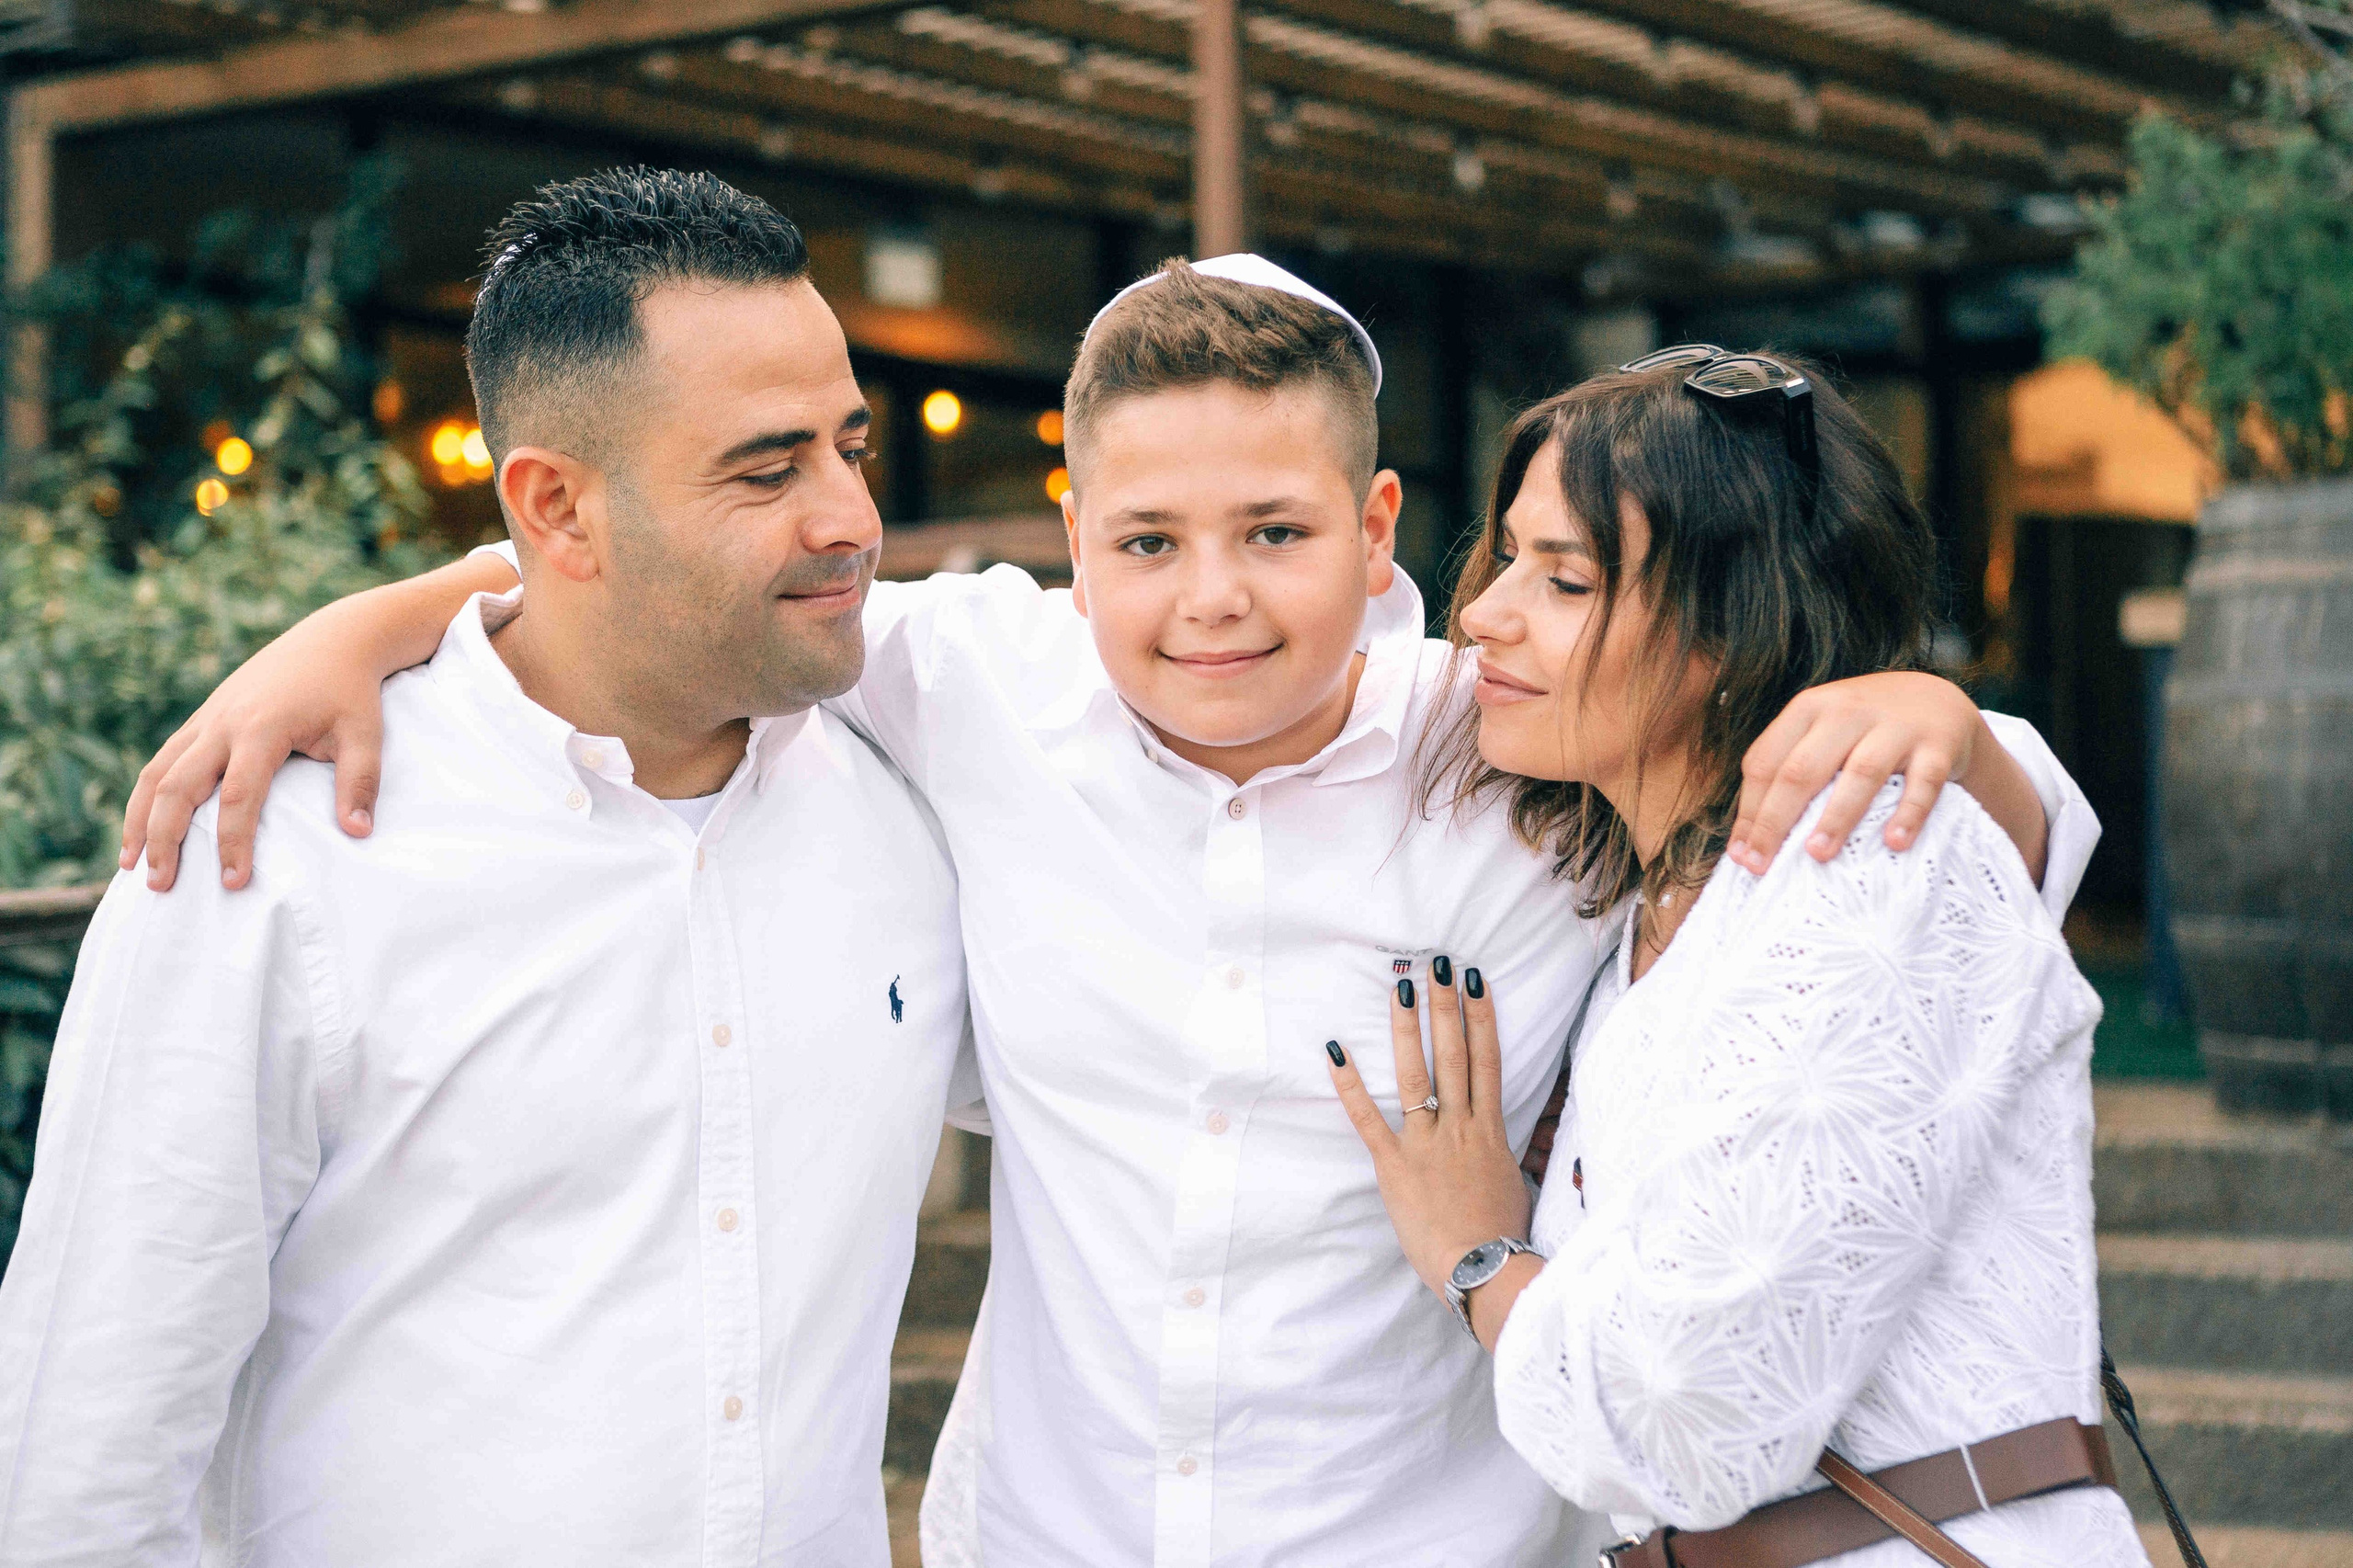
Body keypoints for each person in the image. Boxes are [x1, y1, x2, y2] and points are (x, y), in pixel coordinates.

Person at [120, 263, 2096, 1568]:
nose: (1206, 599)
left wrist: (1956, 723)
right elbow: (649, 583)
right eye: (1144, 542)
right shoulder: (972, 681)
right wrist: (368, 626)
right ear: (1068, 536)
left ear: (1384, 534)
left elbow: (1925, 850)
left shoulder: (1510, 735)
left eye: (1274, 536)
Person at [0, 170, 974, 1567]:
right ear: (556, 509)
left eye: (850, 446)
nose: (850, 517)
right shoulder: (269, 851)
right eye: (768, 469)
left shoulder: (914, 805)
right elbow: (85, 1453)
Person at [1330, 350, 2143, 1566]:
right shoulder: (1648, 913)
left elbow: (1692, 1418)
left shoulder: (1868, 857)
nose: (1487, 611)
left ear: (1731, 623)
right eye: (1505, 557)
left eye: (1563, 578)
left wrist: (1481, 1255)